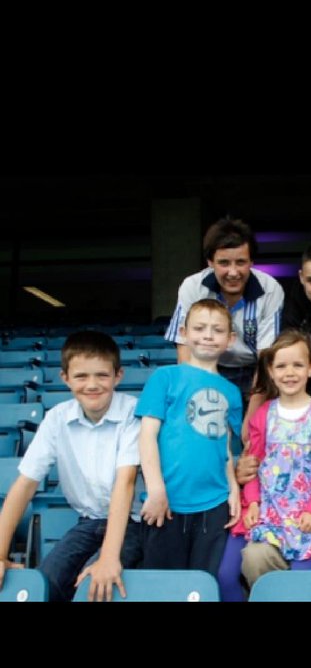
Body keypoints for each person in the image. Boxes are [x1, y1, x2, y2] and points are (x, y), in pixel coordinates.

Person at [0, 332, 143, 602]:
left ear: (118, 376)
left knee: (96, 585)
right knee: (45, 583)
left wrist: (109, 558)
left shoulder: (132, 413)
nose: (92, 385)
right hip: (88, 523)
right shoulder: (56, 419)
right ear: (65, 378)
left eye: (102, 375)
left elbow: (125, 483)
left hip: (132, 525)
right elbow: (24, 485)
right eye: (81, 376)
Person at [219, 330, 311, 595]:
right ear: (271, 372)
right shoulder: (263, 415)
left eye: (298, 365)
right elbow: (252, 464)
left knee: (300, 589)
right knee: (226, 575)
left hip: (306, 515)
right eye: (281, 366)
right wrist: (252, 501)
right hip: (268, 511)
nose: (290, 372)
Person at [137, 300, 242, 576]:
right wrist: (156, 489)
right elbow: (147, 436)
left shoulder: (231, 392)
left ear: (230, 339)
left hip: (214, 504)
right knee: (164, 586)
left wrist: (233, 489)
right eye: (200, 328)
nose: (208, 335)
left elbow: (226, 447)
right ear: (183, 332)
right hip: (166, 503)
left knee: (203, 584)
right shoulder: (165, 377)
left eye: (217, 330)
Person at [165, 216, 284, 399]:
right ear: (210, 262)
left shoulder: (270, 289)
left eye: (241, 262)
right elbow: (185, 348)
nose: (233, 272)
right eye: (224, 263)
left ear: (252, 262)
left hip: (254, 371)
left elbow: (265, 357)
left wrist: (251, 418)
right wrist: (193, 395)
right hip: (206, 366)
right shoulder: (193, 287)